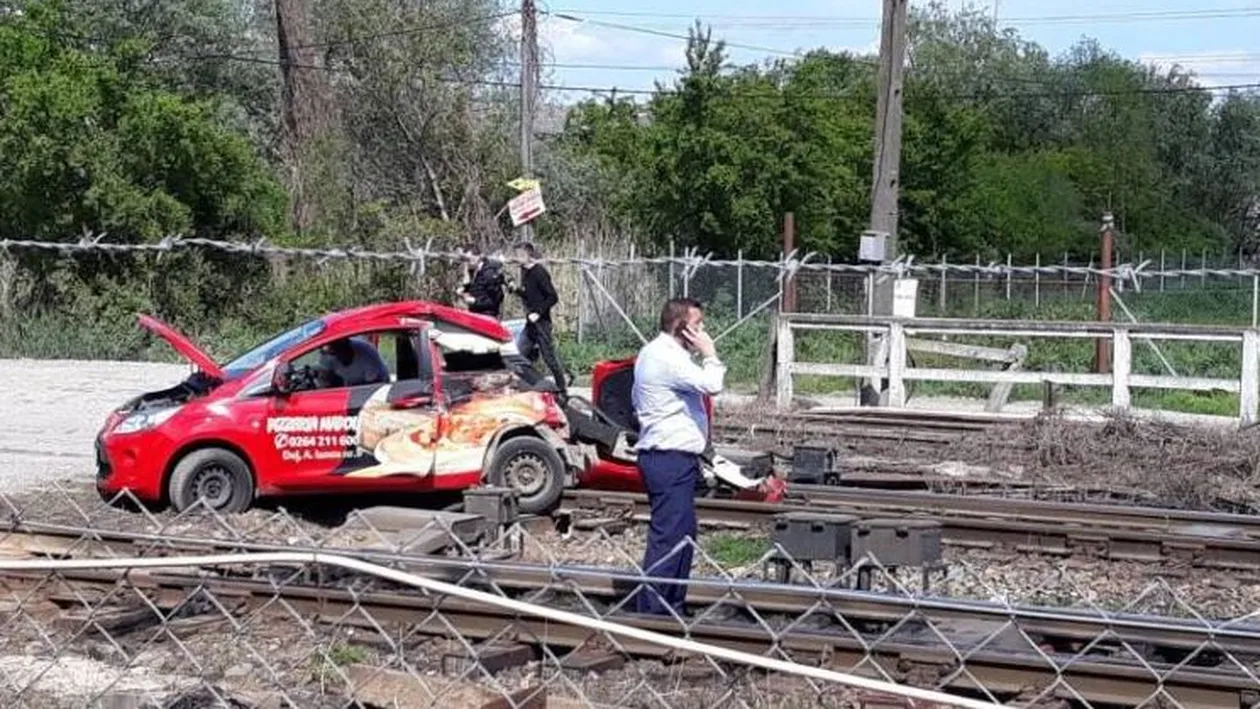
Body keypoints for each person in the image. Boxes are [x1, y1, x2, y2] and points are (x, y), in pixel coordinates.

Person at [630, 297, 725, 615]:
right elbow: (713, 384)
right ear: (681, 327)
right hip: (667, 457)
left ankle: (672, 603)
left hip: (673, 457)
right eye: (697, 325)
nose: (703, 332)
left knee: (682, 531)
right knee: (670, 534)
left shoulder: (657, 353)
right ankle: (655, 610)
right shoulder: (667, 357)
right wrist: (710, 354)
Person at [509, 242, 567, 394]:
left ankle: (562, 387)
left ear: (528, 255)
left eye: (519, 255)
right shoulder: (524, 271)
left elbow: (553, 297)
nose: (517, 258)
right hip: (530, 324)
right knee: (519, 355)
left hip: (542, 323)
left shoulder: (539, 272)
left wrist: (539, 313)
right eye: (516, 255)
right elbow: (529, 295)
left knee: (549, 358)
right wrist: (516, 290)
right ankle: (528, 385)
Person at [455, 244, 506, 319]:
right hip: (476, 314)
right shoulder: (474, 271)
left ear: (478, 257)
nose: (467, 263)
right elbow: (478, 289)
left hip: (487, 316)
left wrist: (475, 302)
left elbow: (495, 300)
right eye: (465, 260)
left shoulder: (489, 273)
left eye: (469, 259)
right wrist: (464, 290)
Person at [318, 337, 390, 388]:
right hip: (348, 386)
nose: (337, 355)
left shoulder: (366, 352)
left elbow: (372, 386)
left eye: (338, 350)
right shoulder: (328, 355)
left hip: (376, 384)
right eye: (332, 353)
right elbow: (324, 379)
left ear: (346, 345)